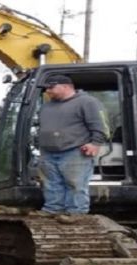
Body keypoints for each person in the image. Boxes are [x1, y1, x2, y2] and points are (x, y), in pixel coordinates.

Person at [37, 75, 108, 218]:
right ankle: (53, 209)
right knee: (51, 183)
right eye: (46, 88)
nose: (48, 91)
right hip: (48, 151)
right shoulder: (47, 106)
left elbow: (100, 125)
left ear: (66, 86)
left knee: (75, 183)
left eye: (51, 87)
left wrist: (95, 143)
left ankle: (76, 213)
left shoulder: (87, 102)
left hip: (75, 150)